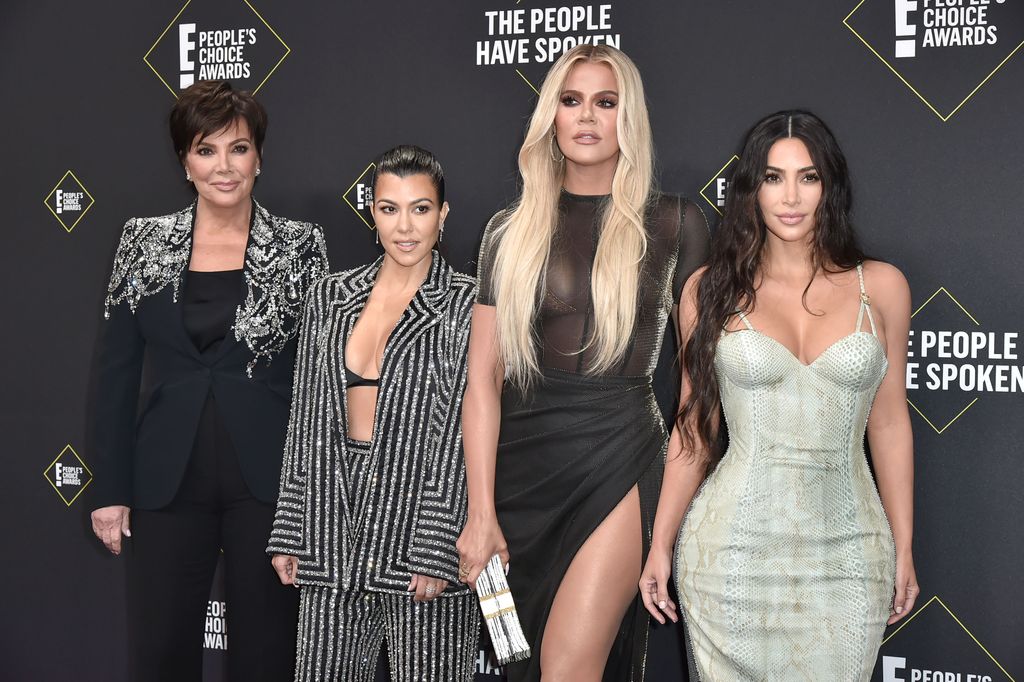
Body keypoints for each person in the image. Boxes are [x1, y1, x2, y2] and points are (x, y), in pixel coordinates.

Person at [457, 45, 710, 682]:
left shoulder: (675, 224)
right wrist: (480, 513)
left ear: (630, 117)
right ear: (551, 116)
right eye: (571, 101)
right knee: (519, 662)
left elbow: (697, 392)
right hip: (519, 475)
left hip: (617, 458)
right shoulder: (506, 233)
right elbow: (483, 380)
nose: (587, 117)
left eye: (606, 101)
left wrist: (669, 526)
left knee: (569, 667)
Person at [639, 110, 919, 680]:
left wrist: (904, 546)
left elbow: (888, 425)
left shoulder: (882, 287)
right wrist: (660, 543)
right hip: (730, 558)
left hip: (848, 554)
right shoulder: (708, 291)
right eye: (772, 178)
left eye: (808, 176)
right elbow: (694, 426)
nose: (790, 196)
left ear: (830, 186)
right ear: (750, 191)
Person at [88, 80, 328, 681]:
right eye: (206, 150)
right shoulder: (142, 243)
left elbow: (320, 380)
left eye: (238, 149)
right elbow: (115, 373)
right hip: (166, 483)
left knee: (268, 655)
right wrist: (108, 488)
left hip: (270, 489)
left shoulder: (300, 247)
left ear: (259, 157)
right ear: (184, 161)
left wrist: (312, 501)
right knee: (162, 651)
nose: (224, 166)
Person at [268, 145, 480, 682]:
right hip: (331, 521)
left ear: (443, 213)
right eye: (389, 208)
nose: (404, 226)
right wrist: (293, 526)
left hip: (419, 521)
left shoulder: (468, 304)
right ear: (371, 211)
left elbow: (469, 426)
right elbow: (306, 417)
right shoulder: (328, 298)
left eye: (420, 208)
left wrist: (438, 542)